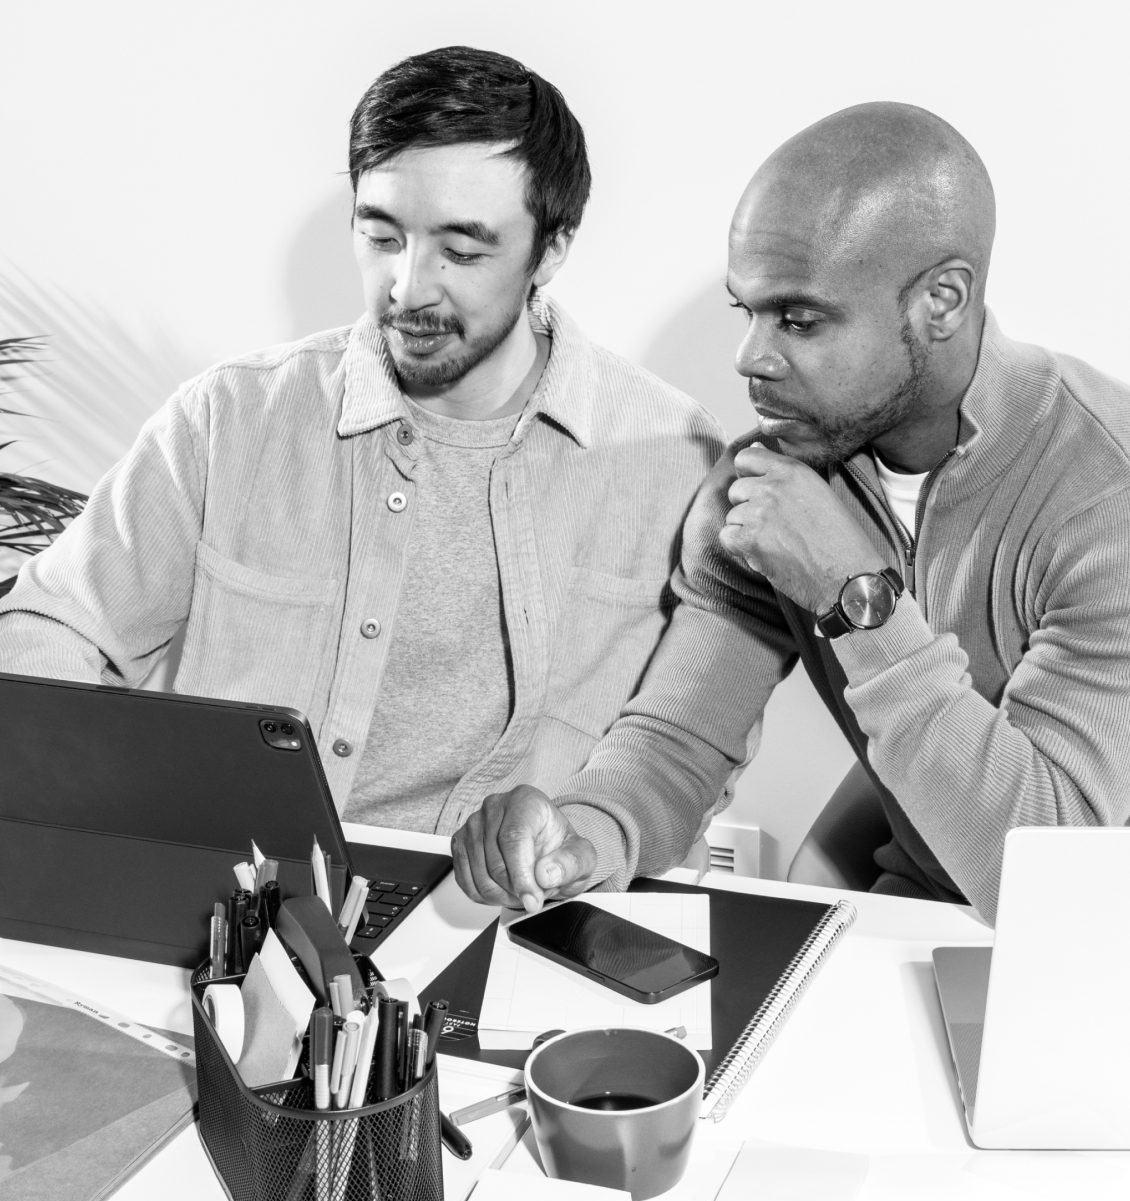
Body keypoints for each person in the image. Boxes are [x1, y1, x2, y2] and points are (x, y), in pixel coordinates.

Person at [0, 46, 723, 832]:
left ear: (552, 247)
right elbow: (51, 627)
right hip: (252, 899)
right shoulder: (231, 418)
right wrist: (113, 795)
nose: (409, 289)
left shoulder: (673, 456)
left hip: (523, 917)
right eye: (382, 237)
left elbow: (694, 747)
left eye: (463, 251)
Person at [452, 102, 1130, 926]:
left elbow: (1044, 876)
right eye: (750, 312)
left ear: (942, 301)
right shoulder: (771, 483)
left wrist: (855, 595)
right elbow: (681, 740)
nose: (749, 359)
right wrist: (585, 835)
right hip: (923, 909)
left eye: (799, 320)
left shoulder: (1105, 498)